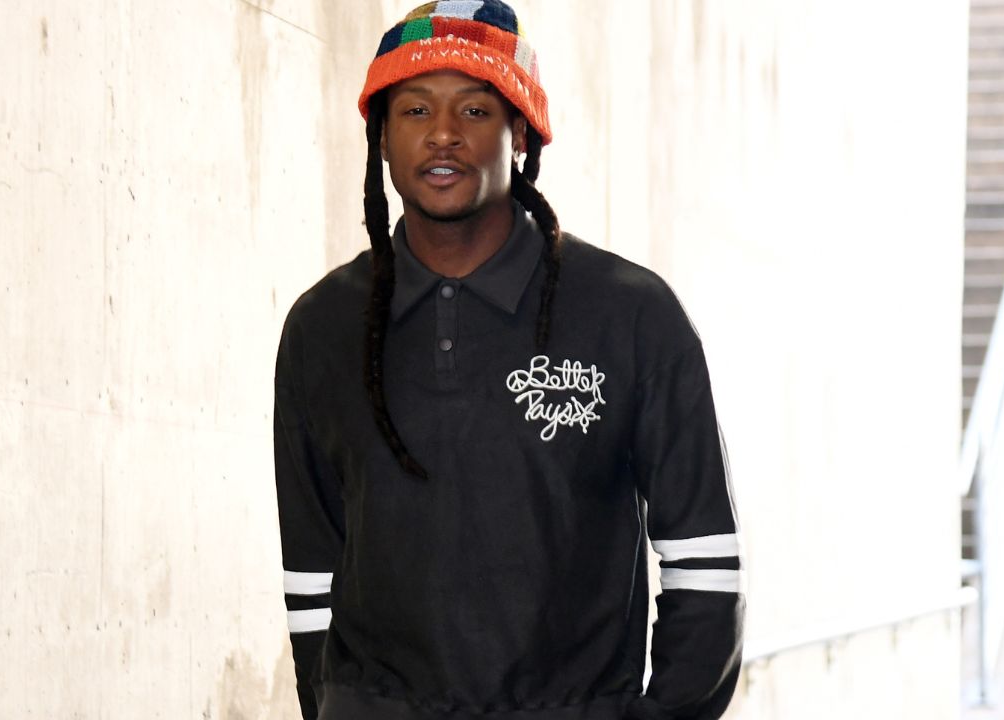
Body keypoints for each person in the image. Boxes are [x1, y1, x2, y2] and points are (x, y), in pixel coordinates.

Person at [272, 3, 744, 719]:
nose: (443, 133)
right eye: (415, 109)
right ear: (382, 136)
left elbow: (704, 560)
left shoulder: (632, 315)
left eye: (475, 109)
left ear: (520, 132)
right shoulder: (322, 326)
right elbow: (310, 572)